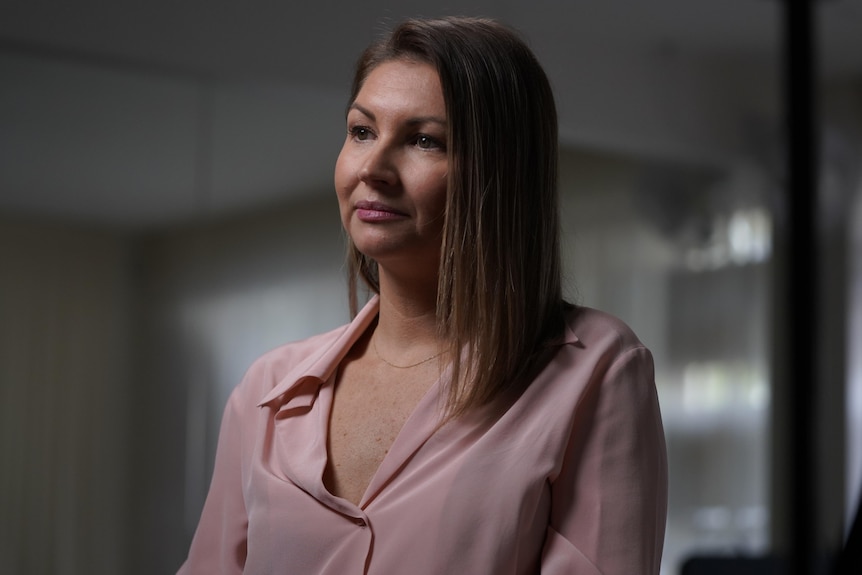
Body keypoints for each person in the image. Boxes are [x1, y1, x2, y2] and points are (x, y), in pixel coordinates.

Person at [178, 16, 667, 575]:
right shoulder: (267, 390)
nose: (374, 168)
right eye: (362, 131)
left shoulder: (597, 370)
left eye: (423, 140)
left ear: (499, 175)